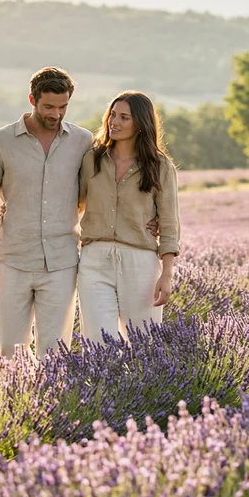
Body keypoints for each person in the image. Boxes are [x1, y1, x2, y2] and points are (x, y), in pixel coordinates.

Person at [0, 67, 92, 359]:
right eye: (49, 106)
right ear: (32, 99)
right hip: (13, 258)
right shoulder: (0, 141)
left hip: (62, 260)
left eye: (63, 107)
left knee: (56, 352)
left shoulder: (82, 141)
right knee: (9, 348)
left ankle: (51, 404)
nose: (56, 114)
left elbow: (98, 190)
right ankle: (15, 402)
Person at [76, 90, 180, 344]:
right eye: (112, 115)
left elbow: (169, 224)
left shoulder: (160, 166)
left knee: (143, 346)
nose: (115, 122)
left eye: (124, 117)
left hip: (140, 263)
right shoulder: (92, 160)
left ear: (140, 124)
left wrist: (166, 274)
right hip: (94, 261)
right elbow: (73, 203)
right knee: (97, 344)